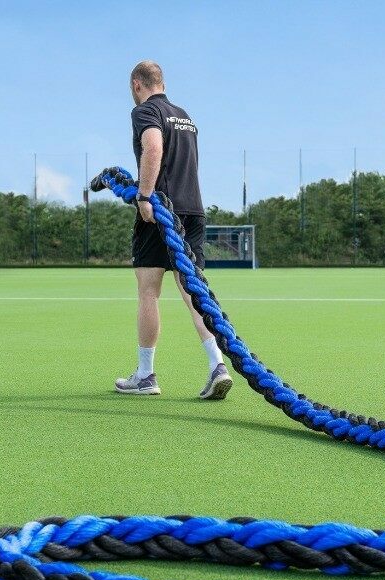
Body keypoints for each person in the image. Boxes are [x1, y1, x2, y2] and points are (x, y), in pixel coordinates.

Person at [115, 61, 233, 399]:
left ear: (137, 84)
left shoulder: (145, 112)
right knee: (192, 291)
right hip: (193, 210)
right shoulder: (186, 117)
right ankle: (217, 366)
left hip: (160, 212)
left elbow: (153, 147)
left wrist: (144, 196)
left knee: (149, 292)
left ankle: (145, 375)